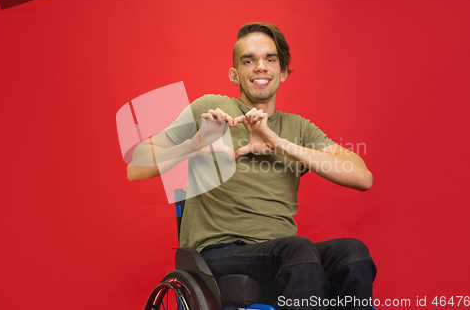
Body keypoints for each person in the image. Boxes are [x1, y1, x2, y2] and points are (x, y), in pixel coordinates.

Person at [127, 22, 376, 310]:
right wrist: (195, 144)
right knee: (298, 250)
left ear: (282, 72)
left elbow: (362, 176)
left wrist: (280, 144)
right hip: (219, 252)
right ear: (235, 74)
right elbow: (136, 166)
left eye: (270, 59)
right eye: (249, 60)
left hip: (283, 254)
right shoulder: (211, 109)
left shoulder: (297, 128)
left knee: (353, 253)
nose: (260, 67)